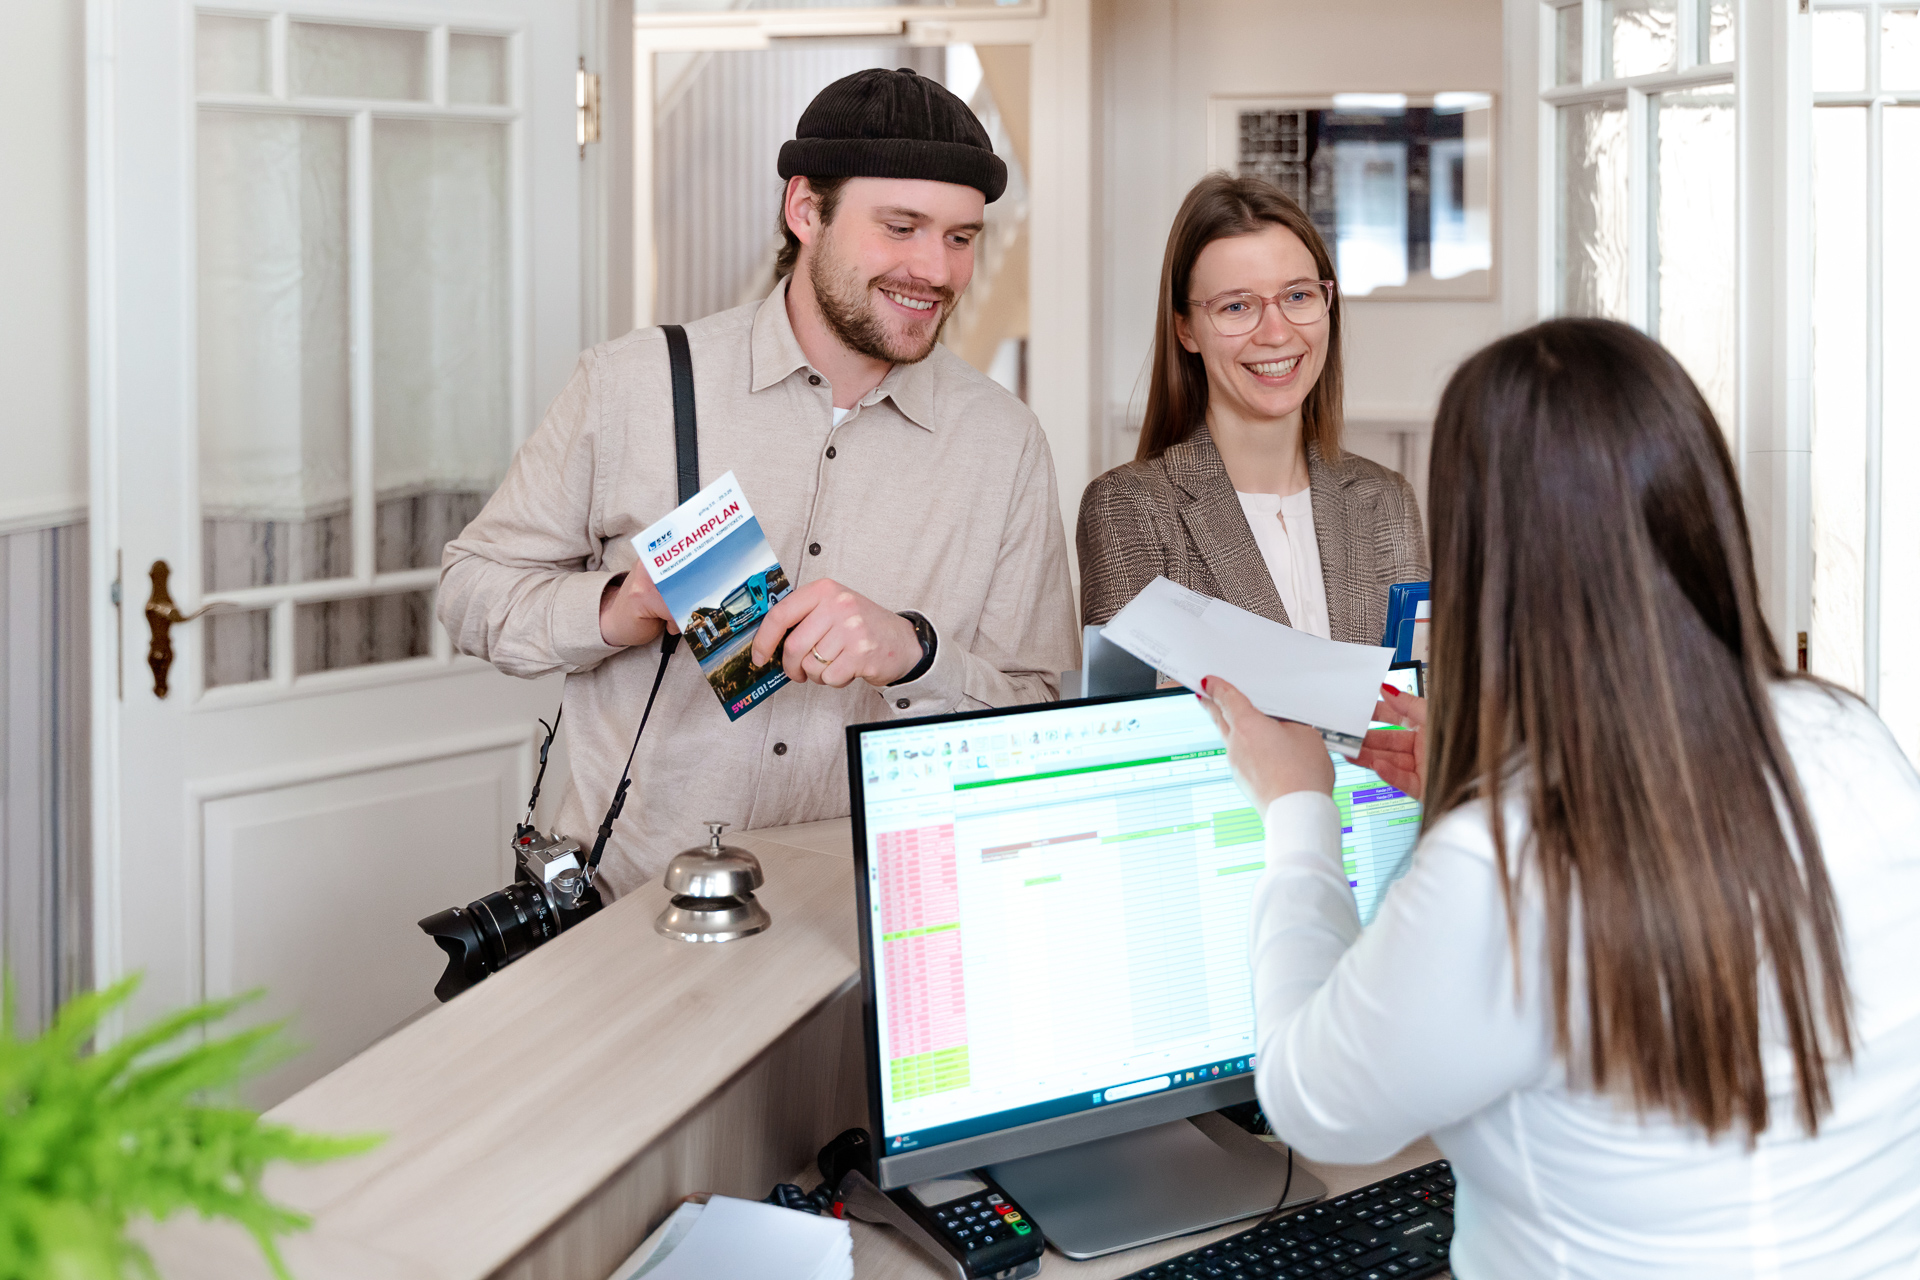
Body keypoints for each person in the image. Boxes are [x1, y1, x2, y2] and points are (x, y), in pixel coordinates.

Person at [1198, 318, 1920, 1276]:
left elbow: (1311, 1103)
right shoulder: (1851, 740)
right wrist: (1489, 762)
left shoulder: (1507, 864)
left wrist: (1298, 810)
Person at [440, 68, 1078, 896]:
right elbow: (471, 592)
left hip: (868, 916)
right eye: (902, 227)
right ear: (805, 210)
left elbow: (1037, 721)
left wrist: (917, 655)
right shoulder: (632, 383)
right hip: (630, 906)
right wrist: (619, 609)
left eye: (961, 238)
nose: (937, 269)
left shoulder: (1005, 443)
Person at [1076, 174, 1426, 642]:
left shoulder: (1388, 501)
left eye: (1298, 296)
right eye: (1237, 307)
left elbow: (1409, 701)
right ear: (1186, 330)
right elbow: (1144, 713)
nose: (1276, 333)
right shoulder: (1129, 508)